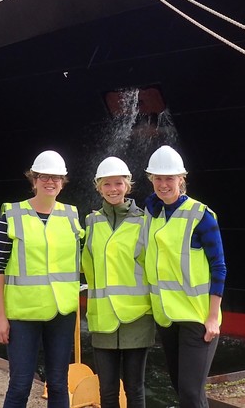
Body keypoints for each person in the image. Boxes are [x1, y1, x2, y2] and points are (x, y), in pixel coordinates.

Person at [0, 150, 82, 408]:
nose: (50, 182)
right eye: (44, 177)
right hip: (23, 315)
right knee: (20, 385)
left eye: (56, 177)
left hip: (60, 312)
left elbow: (83, 259)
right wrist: (0, 316)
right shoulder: (12, 214)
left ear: (63, 182)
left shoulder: (72, 215)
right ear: (33, 180)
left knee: (58, 384)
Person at [143, 145, 226, 408]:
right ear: (151, 180)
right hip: (167, 318)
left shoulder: (201, 216)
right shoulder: (154, 213)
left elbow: (219, 267)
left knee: (190, 393)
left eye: (169, 178)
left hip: (196, 317)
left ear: (182, 179)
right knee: (183, 389)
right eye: (158, 178)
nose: (163, 184)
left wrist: (213, 317)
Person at [81, 156, 153, 408]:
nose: (113, 189)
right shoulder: (91, 222)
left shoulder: (144, 221)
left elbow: (152, 268)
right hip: (102, 319)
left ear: (128, 186)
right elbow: (86, 267)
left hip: (137, 317)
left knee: (135, 388)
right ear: (98, 187)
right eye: (107, 184)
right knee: (107, 389)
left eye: (118, 184)